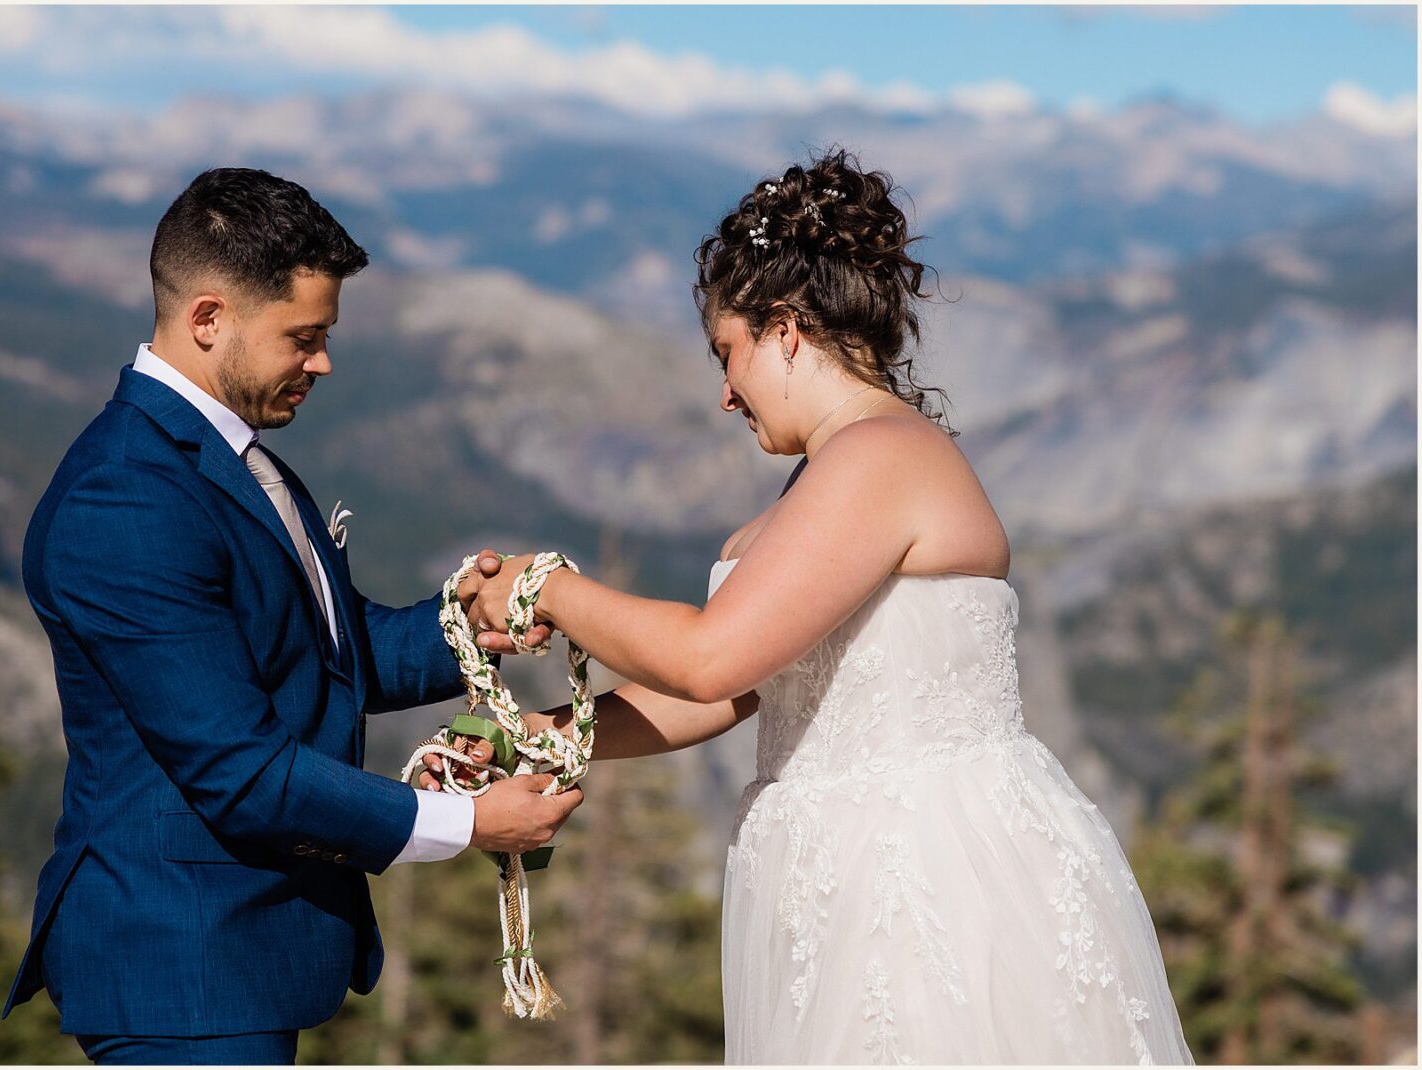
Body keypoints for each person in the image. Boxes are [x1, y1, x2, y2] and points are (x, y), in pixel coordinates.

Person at [445, 150, 1194, 1064]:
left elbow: (709, 655)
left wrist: (547, 585)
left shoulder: (879, 459)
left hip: (922, 881)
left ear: (787, 330)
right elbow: (734, 691)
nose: (724, 393)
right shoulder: (832, 477)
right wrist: (541, 728)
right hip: (837, 877)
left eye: (729, 354)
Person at [0, 167, 582, 1065]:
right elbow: (239, 771)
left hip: (242, 962)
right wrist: (468, 825)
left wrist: (470, 625)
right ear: (207, 319)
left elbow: (327, 654)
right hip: (180, 972)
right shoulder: (124, 499)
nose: (323, 362)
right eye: (302, 337)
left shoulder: (241, 456)